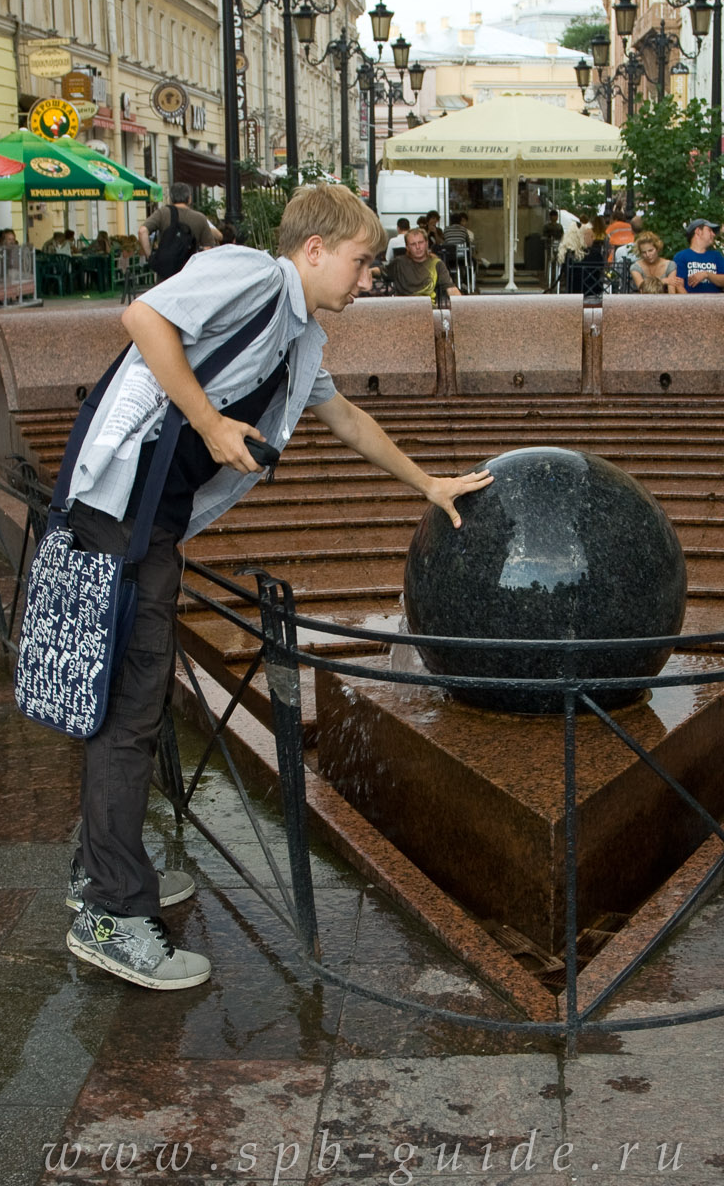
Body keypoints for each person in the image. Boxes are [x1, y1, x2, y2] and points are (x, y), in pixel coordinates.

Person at [57, 184, 491, 989]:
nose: (370, 279)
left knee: (131, 698)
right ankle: (112, 912)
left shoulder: (299, 336)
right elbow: (143, 319)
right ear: (315, 248)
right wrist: (212, 422)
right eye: (362, 262)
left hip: (151, 516)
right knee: (128, 705)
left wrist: (427, 483)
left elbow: (348, 420)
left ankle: (103, 870)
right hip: (123, 510)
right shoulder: (251, 276)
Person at [141, 184, 222, 280]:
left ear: (171, 198)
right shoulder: (200, 218)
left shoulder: (162, 213)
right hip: (189, 273)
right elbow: (208, 248)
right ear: (189, 199)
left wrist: (150, 256)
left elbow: (142, 231)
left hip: (166, 273)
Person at [386, 227, 461, 303]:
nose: (418, 247)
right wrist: (372, 271)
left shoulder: (437, 264)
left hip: (429, 308)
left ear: (426, 243)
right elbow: (381, 271)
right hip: (404, 307)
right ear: (407, 247)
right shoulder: (399, 263)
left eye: (420, 242)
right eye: (413, 244)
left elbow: (451, 289)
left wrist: (464, 307)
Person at [672, 218, 724, 294]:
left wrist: (706, 274)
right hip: (690, 303)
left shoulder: (716, 256)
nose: (713, 234)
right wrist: (693, 304)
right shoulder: (681, 256)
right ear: (698, 231)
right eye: (709, 230)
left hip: (715, 303)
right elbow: (679, 286)